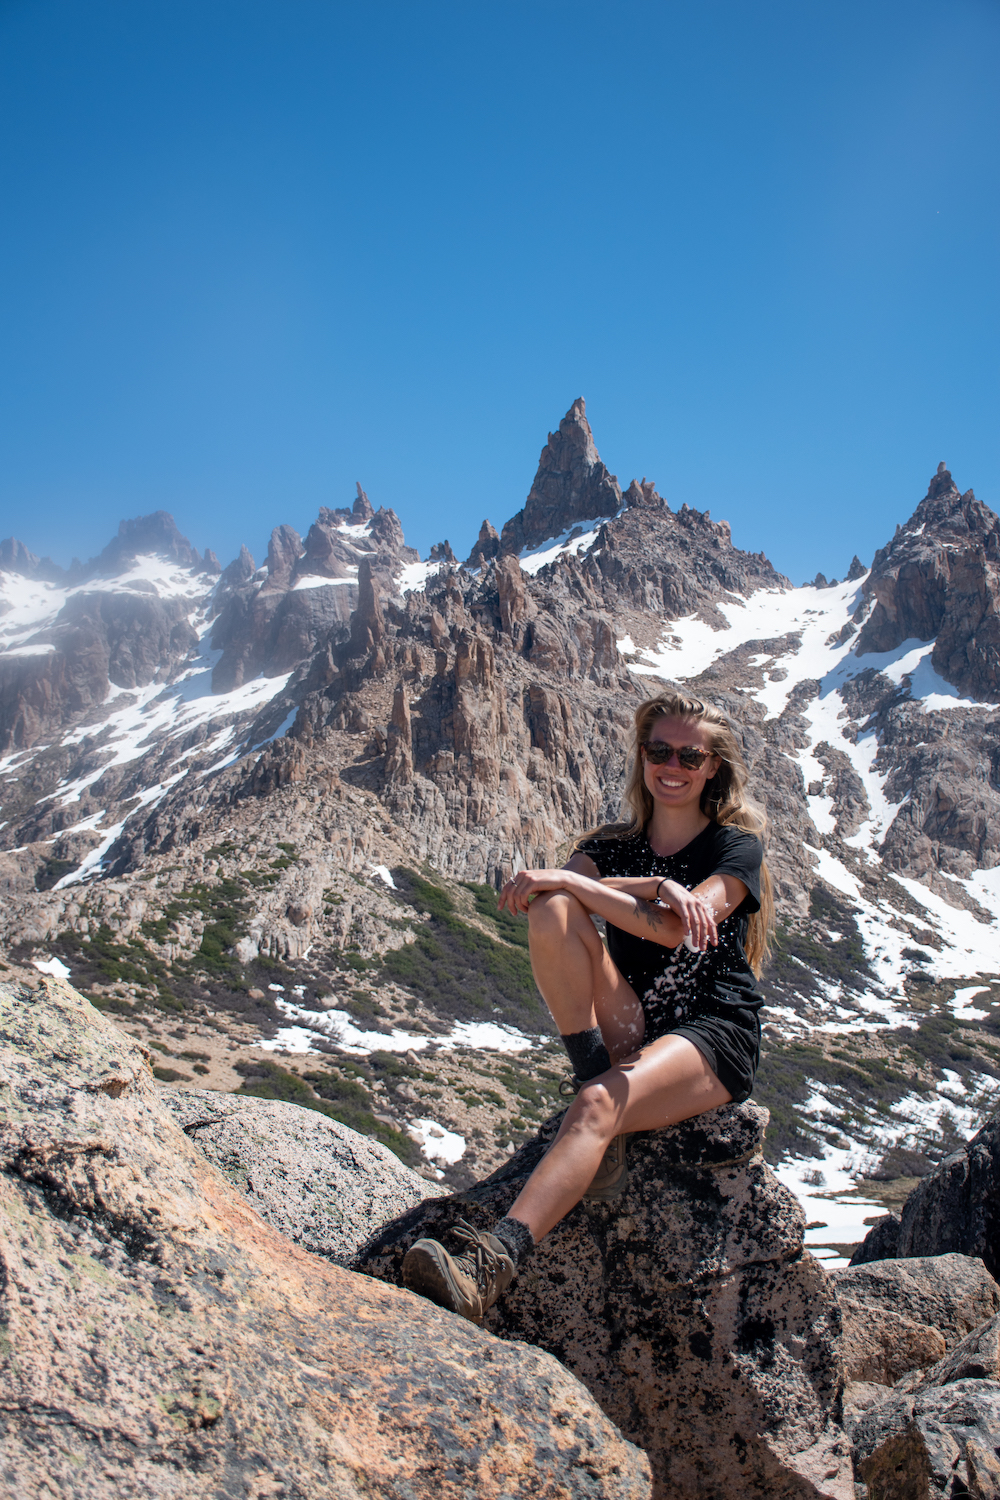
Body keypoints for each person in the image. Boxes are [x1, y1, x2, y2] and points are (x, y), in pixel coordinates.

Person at [402, 691, 774, 1322]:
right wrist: (647, 883)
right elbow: (548, 894)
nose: (673, 765)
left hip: (711, 1032)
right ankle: (591, 1070)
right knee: (554, 909)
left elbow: (683, 928)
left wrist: (590, 882)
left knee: (599, 1104)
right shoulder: (612, 845)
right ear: (642, 753)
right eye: (659, 749)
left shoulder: (734, 848)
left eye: (691, 754)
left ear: (713, 766)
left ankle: (491, 1265)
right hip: (634, 1021)